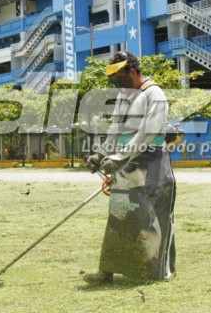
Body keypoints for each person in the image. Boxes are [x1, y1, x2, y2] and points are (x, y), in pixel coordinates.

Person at [84, 51, 177, 285]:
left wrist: (120, 157)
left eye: (119, 80)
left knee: (151, 222)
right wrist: (101, 153)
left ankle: (152, 274)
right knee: (118, 217)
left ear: (132, 73)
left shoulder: (154, 95)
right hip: (126, 167)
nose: (117, 86)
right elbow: (116, 129)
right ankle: (107, 270)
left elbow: (147, 133)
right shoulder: (124, 96)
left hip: (152, 166)